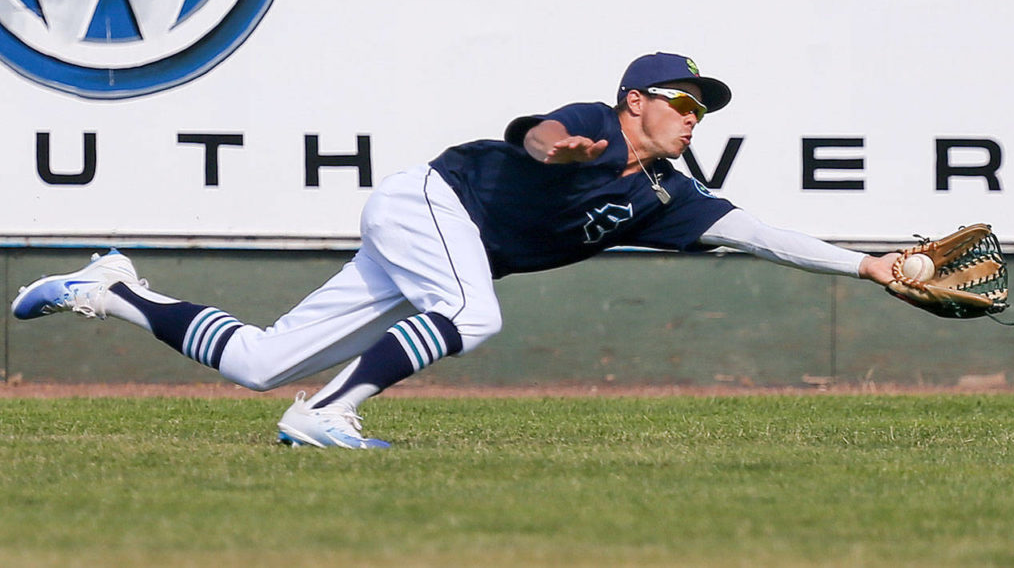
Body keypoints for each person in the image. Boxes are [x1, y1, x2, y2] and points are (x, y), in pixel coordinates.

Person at [11, 52, 899, 449]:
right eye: (681, 99)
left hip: (438, 239)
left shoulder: (666, 193)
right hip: (433, 201)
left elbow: (761, 235)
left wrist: (869, 267)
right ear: (636, 100)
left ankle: (115, 288)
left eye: (703, 107)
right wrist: (562, 151)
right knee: (473, 313)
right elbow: (543, 135)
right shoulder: (597, 123)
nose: (693, 115)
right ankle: (324, 415)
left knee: (258, 360)